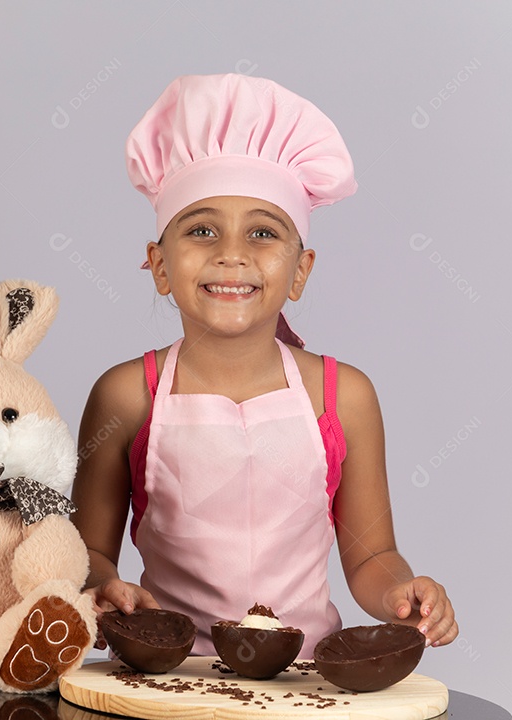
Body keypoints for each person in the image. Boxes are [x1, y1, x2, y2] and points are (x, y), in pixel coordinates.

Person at [70, 73, 457, 657]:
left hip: (301, 684)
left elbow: (370, 555)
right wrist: (104, 588)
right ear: (159, 264)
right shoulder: (127, 395)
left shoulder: (342, 396)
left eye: (263, 232)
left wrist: (403, 594)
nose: (232, 253)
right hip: (169, 679)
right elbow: (89, 551)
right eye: (201, 230)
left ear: (300, 270)